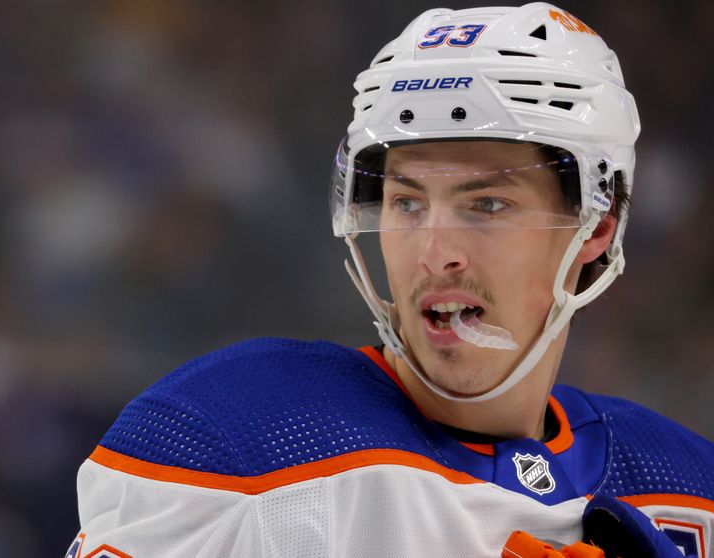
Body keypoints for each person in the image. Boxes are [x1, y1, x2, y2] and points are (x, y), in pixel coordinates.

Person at [66, 3, 713, 557]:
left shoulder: (685, 486)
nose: (436, 254)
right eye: (406, 203)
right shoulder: (233, 442)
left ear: (597, 226)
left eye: (486, 204)